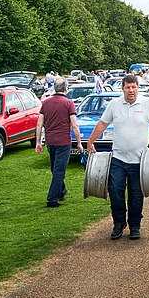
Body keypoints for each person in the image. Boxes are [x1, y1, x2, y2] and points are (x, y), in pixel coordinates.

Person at [88, 74, 149, 240]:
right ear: (122, 88)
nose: (131, 90)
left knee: (136, 194)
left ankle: (135, 225)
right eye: (128, 87)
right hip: (118, 159)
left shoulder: (147, 104)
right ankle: (118, 224)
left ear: (137, 87)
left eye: (133, 87)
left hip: (140, 161)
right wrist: (91, 141)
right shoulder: (114, 104)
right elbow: (102, 124)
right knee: (116, 191)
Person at [35, 78, 84, 208]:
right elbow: (75, 125)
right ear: (66, 89)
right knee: (59, 170)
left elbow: (40, 123)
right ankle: (52, 199)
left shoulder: (46, 103)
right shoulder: (69, 103)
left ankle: (62, 191)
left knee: (55, 169)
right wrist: (79, 143)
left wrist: (38, 141)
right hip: (63, 142)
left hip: (50, 142)